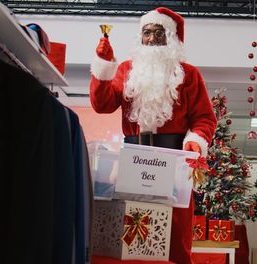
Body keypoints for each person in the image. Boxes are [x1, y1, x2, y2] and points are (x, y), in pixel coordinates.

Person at [90, 7, 217, 263]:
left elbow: (205, 118)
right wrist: (103, 70)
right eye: (146, 32)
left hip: (173, 164)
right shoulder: (127, 69)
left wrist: (194, 142)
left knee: (176, 233)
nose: (150, 39)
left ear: (170, 38)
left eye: (158, 33)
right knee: (130, 227)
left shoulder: (189, 75)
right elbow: (102, 105)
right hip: (132, 161)